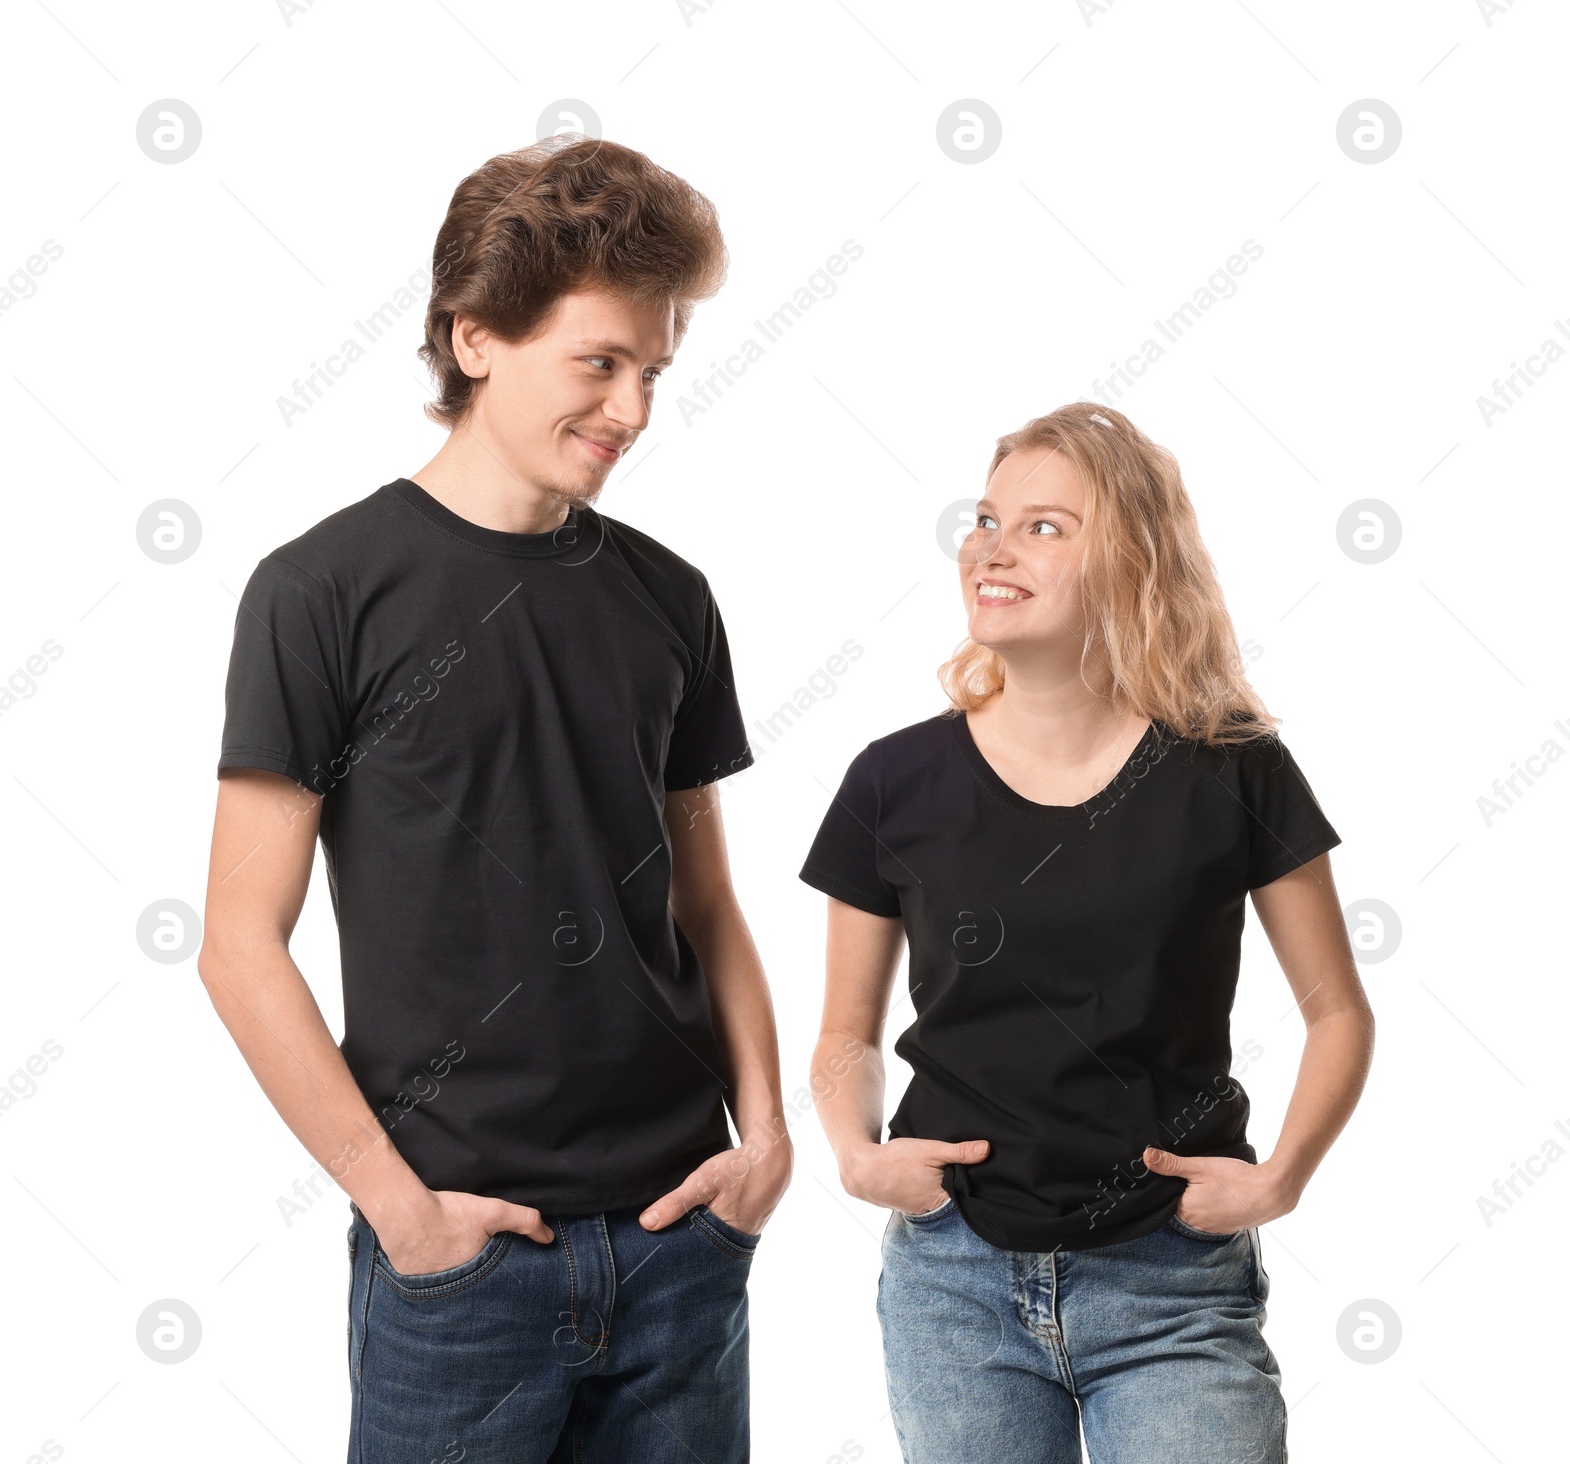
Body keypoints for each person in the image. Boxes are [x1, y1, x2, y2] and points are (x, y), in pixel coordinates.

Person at [198, 137, 789, 1463]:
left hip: (681, 1243)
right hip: (459, 1274)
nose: (633, 409)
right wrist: (402, 1217)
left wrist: (767, 1142)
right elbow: (237, 943)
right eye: (600, 363)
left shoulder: (670, 599)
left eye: (654, 372)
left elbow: (706, 901)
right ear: (475, 338)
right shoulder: (319, 593)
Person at [801, 403, 1374, 1463]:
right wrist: (853, 1151)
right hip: (953, 1284)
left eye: (1043, 526)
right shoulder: (893, 781)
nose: (990, 546)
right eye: (986, 518)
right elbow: (845, 1029)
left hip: (1173, 1284)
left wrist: (1281, 1175)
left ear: (1130, 560)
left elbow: (1337, 1009)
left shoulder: (1233, 768)